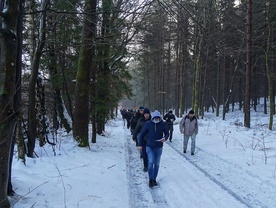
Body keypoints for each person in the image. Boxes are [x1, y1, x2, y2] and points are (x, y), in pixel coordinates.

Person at [138, 110, 169, 188]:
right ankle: (150, 179)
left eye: (158, 118)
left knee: (157, 164)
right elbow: (142, 134)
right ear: (153, 118)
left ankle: (154, 179)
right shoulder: (148, 124)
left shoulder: (163, 124)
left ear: (160, 118)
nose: (156, 119)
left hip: (158, 147)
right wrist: (140, 145)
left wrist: (165, 138)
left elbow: (167, 133)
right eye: (155, 118)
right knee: (151, 161)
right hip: (149, 146)